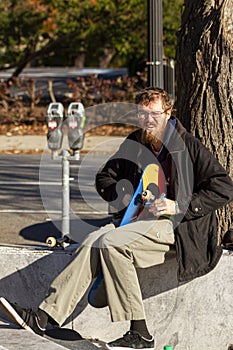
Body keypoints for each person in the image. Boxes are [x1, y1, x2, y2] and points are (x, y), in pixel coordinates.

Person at [0, 87, 233, 350]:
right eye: (142, 115)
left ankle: (140, 332)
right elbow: (105, 178)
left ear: (168, 113)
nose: (148, 120)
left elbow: (223, 187)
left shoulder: (187, 145)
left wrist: (177, 204)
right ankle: (46, 317)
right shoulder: (135, 142)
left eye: (154, 114)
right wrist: (125, 196)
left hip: (176, 228)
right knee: (91, 240)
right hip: (136, 223)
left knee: (111, 242)